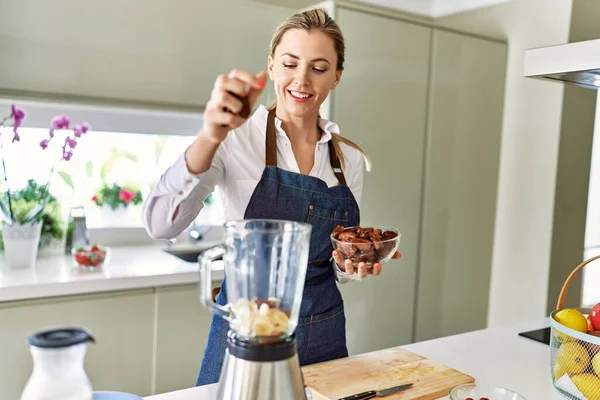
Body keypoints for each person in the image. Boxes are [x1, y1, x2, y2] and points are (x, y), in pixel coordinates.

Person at [141, 7, 401, 386]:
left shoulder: (350, 159)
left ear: (336, 77)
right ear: (272, 66)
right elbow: (160, 224)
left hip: (323, 334)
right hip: (248, 336)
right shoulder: (233, 137)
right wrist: (210, 134)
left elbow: (335, 263)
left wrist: (352, 263)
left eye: (319, 67)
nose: (302, 79)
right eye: (290, 63)